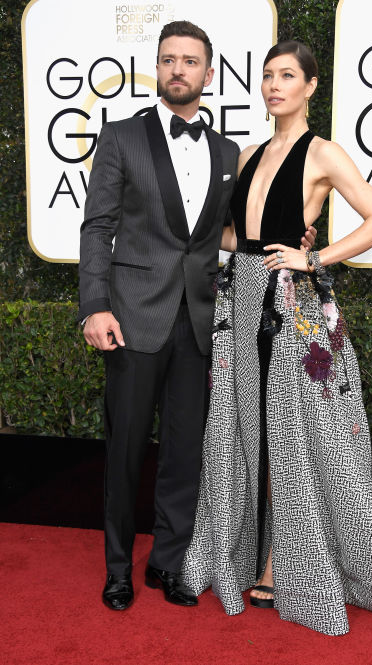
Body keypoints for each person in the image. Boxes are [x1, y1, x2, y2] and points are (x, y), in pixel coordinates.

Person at [181, 40, 372, 635]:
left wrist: (313, 257)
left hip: (290, 306)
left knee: (292, 434)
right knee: (244, 431)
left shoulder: (323, 152)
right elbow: (236, 237)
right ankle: (244, 550)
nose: (275, 85)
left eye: (288, 75)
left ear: (310, 86)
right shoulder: (247, 155)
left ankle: (283, 560)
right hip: (240, 300)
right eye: (268, 75)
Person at [78, 22, 316, 612]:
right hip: (131, 317)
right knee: (125, 449)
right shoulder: (121, 137)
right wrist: (95, 307)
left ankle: (167, 560)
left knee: (185, 452)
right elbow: (97, 227)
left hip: (201, 319)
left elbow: (229, 234)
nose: (177, 69)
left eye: (189, 61)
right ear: (157, 68)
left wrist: (296, 239)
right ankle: (117, 569)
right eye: (168, 60)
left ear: (208, 74)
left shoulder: (227, 152)